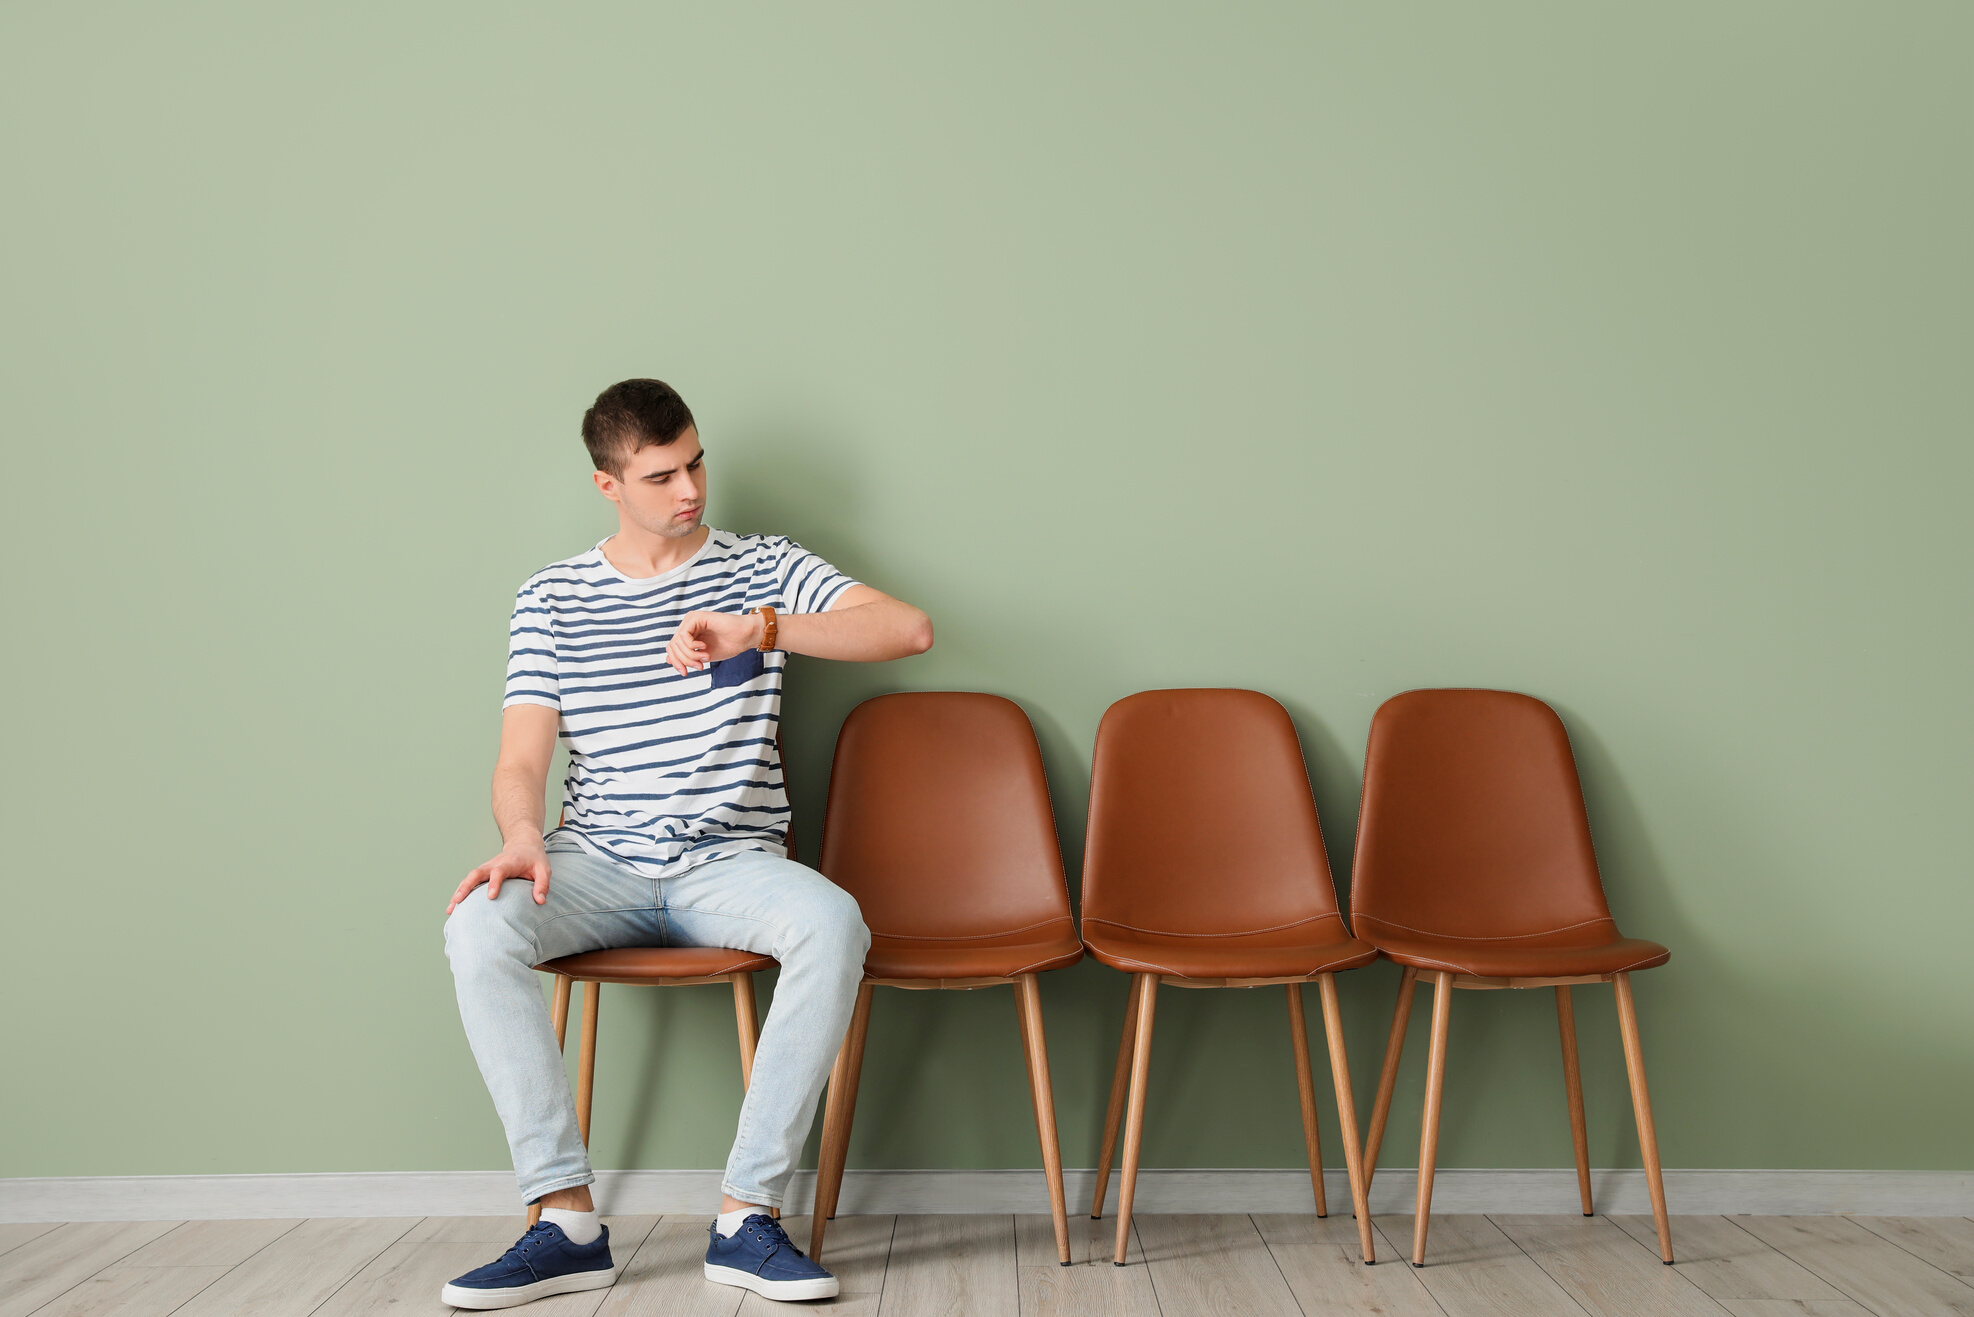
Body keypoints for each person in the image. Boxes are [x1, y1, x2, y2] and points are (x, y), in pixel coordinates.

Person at [439, 379, 932, 1307]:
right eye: (660, 474)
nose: (690, 489)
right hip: (595, 860)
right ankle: (565, 1221)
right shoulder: (551, 597)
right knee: (477, 926)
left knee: (835, 925)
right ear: (607, 485)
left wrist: (766, 626)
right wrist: (518, 837)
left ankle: (748, 1217)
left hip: (730, 860)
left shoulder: (763, 566)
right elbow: (521, 758)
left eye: (696, 461)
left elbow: (909, 628)